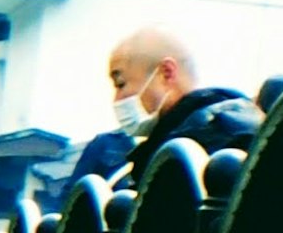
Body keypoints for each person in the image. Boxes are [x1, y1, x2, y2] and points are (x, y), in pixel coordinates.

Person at [68, 27, 264, 188]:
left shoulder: (198, 146)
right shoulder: (229, 127)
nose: (117, 98)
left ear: (166, 73)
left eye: (121, 83)